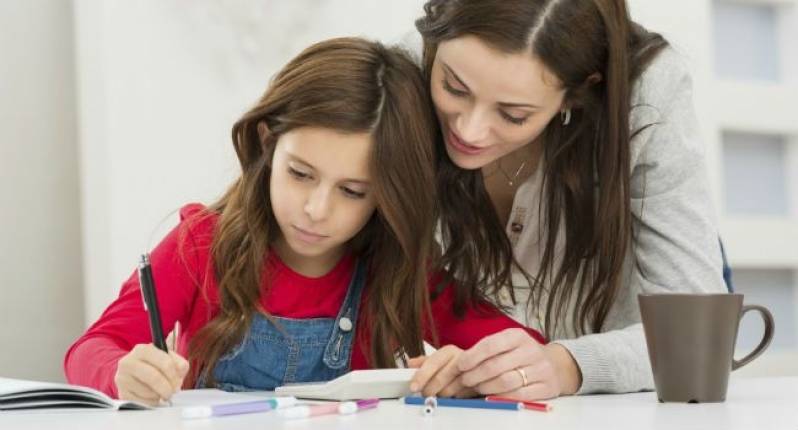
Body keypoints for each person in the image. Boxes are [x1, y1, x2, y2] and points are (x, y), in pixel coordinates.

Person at [63, 37, 544, 405]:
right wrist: (123, 373)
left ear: (388, 197)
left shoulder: (399, 271)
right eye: (300, 174)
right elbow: (92, 348)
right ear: (268, 143)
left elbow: (527, 353)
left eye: (353, 191)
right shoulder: (201, 244)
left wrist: (471, 372)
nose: (316, 209)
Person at [408, 0, 728, 400]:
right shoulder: (405, 72)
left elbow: (695, 334)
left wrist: (567, 365)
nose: (469, 131)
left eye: (513, 114)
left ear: (576, 93)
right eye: (454, 88)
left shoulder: (645, 92)